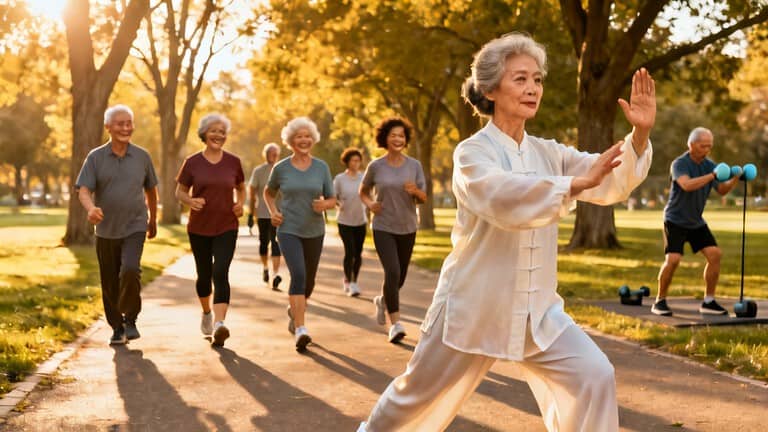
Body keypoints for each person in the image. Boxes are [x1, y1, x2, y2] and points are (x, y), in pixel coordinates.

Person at [358, 33, 655, 432]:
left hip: (538, 315)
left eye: (537, 79)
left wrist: (639, 136)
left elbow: (607, 177)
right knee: (414, 399)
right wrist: (570, 186)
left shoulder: (549, 152)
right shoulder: (471, 153)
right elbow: (500, 197)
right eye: (520, 79)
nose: (533, 88)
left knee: (593, 375)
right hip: (474, 307)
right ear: (491, 89)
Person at [75, 104, 158, 345]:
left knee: (130, 269)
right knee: (109, 280)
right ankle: (116, 326)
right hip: (106, 229)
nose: (125, 128)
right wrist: (91, 209)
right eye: (120, 123)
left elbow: (151, 190)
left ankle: (131, 319)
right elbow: (83, 190)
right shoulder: (95, 157)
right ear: (108, 127)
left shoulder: (142, 156)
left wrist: (153, 219)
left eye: (128, 123)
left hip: (135, 225)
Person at [264, 117, 336, 352]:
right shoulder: (281, 167)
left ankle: (295, 310)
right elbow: (268, 192)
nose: (304, 140)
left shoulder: (321, 167)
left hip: (314, 230)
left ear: (312, 139)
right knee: (299, 274)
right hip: (288, 229)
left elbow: (333, 199)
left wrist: (325, 205)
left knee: (309, 280)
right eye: (299, 136)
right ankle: (301, 328)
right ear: (291, 141)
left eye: (307, 136)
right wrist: (273, 212)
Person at [651, 127, 739, 316]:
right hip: (674, 219)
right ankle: (660, 301)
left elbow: (722, 190)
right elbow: (687, 185)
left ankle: (709, 301)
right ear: (691, 145)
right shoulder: (679, 164)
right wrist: (713, 175)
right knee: (673, 259)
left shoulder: (709, 165)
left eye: (709, 146)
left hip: (696, 221)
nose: (707, 150)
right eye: (703, 146)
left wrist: (736, 178)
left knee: (715, 254)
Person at [175, 113, 245, 347]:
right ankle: (206, 312)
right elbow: (180, 192)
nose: (218, 135)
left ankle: (219, 324)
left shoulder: (233, 162)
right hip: (199, 227)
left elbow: (241, 188)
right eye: (214, 131)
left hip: (227, 224)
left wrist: (240, 203)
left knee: (220, 271)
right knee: (204, 276)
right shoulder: (193, 162)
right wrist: (191, 201)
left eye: (222, 132)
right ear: (204, 134)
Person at [359, 117, 427, 344]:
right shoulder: (376, 166)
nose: (398, 139)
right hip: (383, 226)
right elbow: (363, 190)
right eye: (393, 135)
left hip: (407, 226)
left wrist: (415, 190)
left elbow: (424, 198)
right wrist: (370, 205)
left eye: (402, 135)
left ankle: (383, 300)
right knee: (393, 271)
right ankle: (395, 324)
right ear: (385, 139)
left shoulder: (414, 165)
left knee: (400, 277)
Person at [248, 142, 283, 291]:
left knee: (276, 243)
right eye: (271, 153)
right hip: (262, 213)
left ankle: (275, 274)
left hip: (279, 213)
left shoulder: (282, 170)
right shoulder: (259, 171)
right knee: (264, 243)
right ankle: (265, 268)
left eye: (276, 154)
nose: (274, 156)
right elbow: (252, 191)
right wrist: (251, 213)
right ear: (266, 155)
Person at [334, 147, 368, 297]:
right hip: (344, 221)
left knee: (358, 253)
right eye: (353, 160)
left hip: (360, 220)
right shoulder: (340, 179)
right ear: (347, 162)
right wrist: (338, 204)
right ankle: (350, 281)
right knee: (350, 252)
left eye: (358, 160)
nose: (356, 163)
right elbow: (333, 197)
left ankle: (354, 280)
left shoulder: (364, 178)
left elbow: (369, 196)